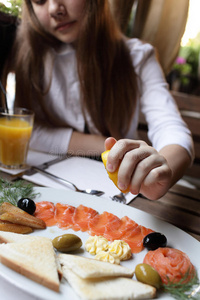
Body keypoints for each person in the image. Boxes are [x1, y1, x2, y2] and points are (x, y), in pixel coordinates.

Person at [7, 0, 194, 200]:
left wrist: (161, 169)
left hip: (124, 194)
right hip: (48, 186)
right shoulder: (31, 58)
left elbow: (171, 128)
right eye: (39, 0)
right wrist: (102, 145)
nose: (54, 9)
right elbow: (27, 129)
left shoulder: (138, 56)